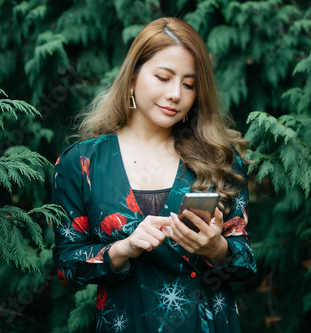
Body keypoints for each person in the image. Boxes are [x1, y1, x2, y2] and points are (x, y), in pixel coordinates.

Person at [52, 17, 257, 333]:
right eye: (163, 77)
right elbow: (66, 266)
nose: (176, 93)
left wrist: (216, 248)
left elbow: (245, 262)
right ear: (133, 77)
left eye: (189, 84)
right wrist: (123, 249)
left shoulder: (220, 159)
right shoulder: (82, 164)